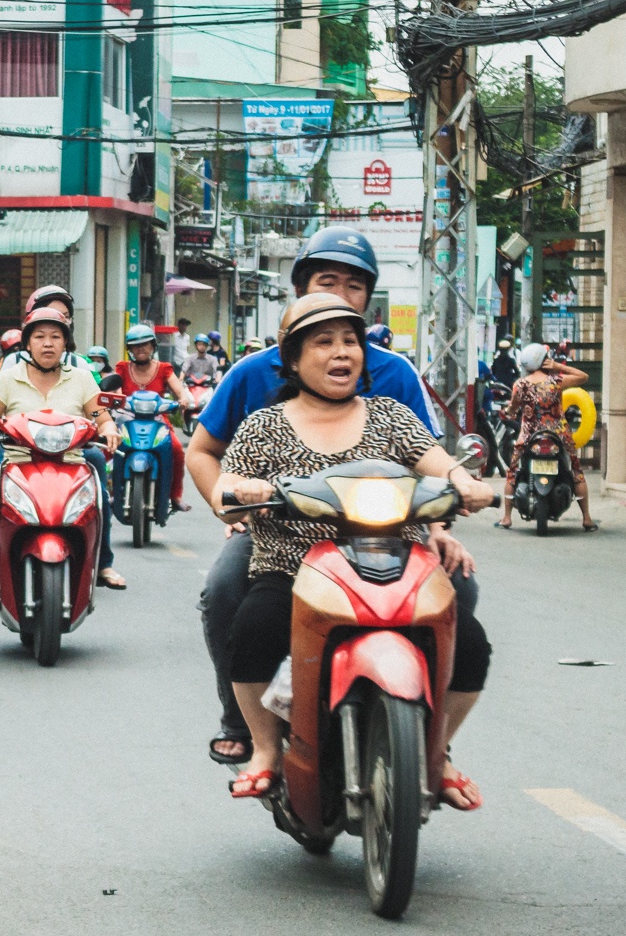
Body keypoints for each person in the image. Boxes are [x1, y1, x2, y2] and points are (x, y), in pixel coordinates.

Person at [186, 225, 482, 769]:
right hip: (285, 540)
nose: (339, 348)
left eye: (354, 291)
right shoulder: (258, 390)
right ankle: (248, 726)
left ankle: (432, 743)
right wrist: (231, 503)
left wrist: (449, 511)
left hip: (390, 536)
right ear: (292, 354)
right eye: (327, 283)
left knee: (462, 607)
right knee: (231, 595)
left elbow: (429, 458)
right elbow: (207, 455)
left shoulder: (392, 386)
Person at [0, 306, 128, 590]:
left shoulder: (82, 379)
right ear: (28, 343)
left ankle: (104, 563)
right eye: (40, 336)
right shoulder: (9, 378)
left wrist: (107, 429)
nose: (48, 343)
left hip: (71, 460)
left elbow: (101, 417)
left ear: (65, 343)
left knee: (100, 497)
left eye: (56, 337)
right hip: (17, 459)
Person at [497, 343, 596, 531]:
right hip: (558, 434)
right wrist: (559, 366)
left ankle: (507, 518)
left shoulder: (520, 385)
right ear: (545, 360)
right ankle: (587, 519)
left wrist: (508, 412)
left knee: (512, 473)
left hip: (528, 435)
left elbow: (513, 408)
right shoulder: (556, 381)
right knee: (576, 471)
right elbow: (584, 377)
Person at [114, 322, 199, 514]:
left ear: (153, 346)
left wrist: (183, 399)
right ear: (130, 350)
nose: (141, 348)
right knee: (111, 446)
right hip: (128, 421)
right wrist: (117, 401)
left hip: (158, 420)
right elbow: (117, 391)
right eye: (136, 345)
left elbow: (179, 390)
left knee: (176, 448)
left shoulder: (164, 368)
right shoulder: (122, 367)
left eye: (145, 344)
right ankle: (111, 491)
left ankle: (175, 495)